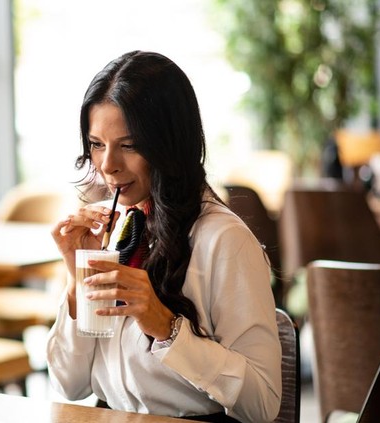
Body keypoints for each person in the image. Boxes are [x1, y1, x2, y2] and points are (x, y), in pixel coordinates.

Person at [46, 51, 282, 422]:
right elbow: (68, 385)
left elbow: (263, 405)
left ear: (169, 145)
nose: (108, 165)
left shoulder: (224, 240)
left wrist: (168, 328)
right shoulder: (112, 228)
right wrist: (78, 282)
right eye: (96, 144)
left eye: (128, 145)